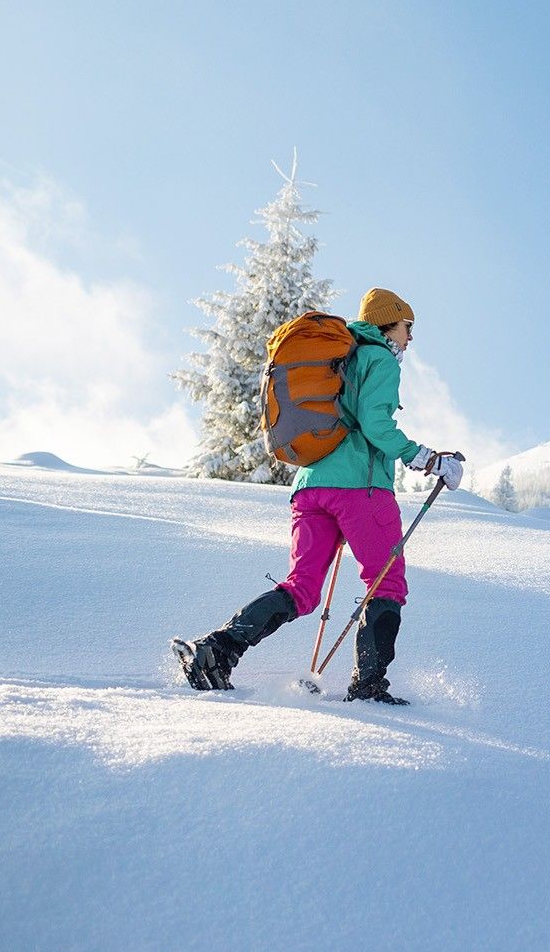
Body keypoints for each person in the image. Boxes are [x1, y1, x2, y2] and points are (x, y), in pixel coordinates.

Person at [176, 287, 465, 703]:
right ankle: (368, 687)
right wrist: (427, 459)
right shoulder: (380, 359)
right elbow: (375, 425)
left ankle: (216, 650)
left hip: (310, 489)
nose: (410, 337)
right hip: (360, 489)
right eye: (407, 327)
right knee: (386, 583)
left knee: (302, 588)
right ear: (387, 325)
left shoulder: (340, 357)